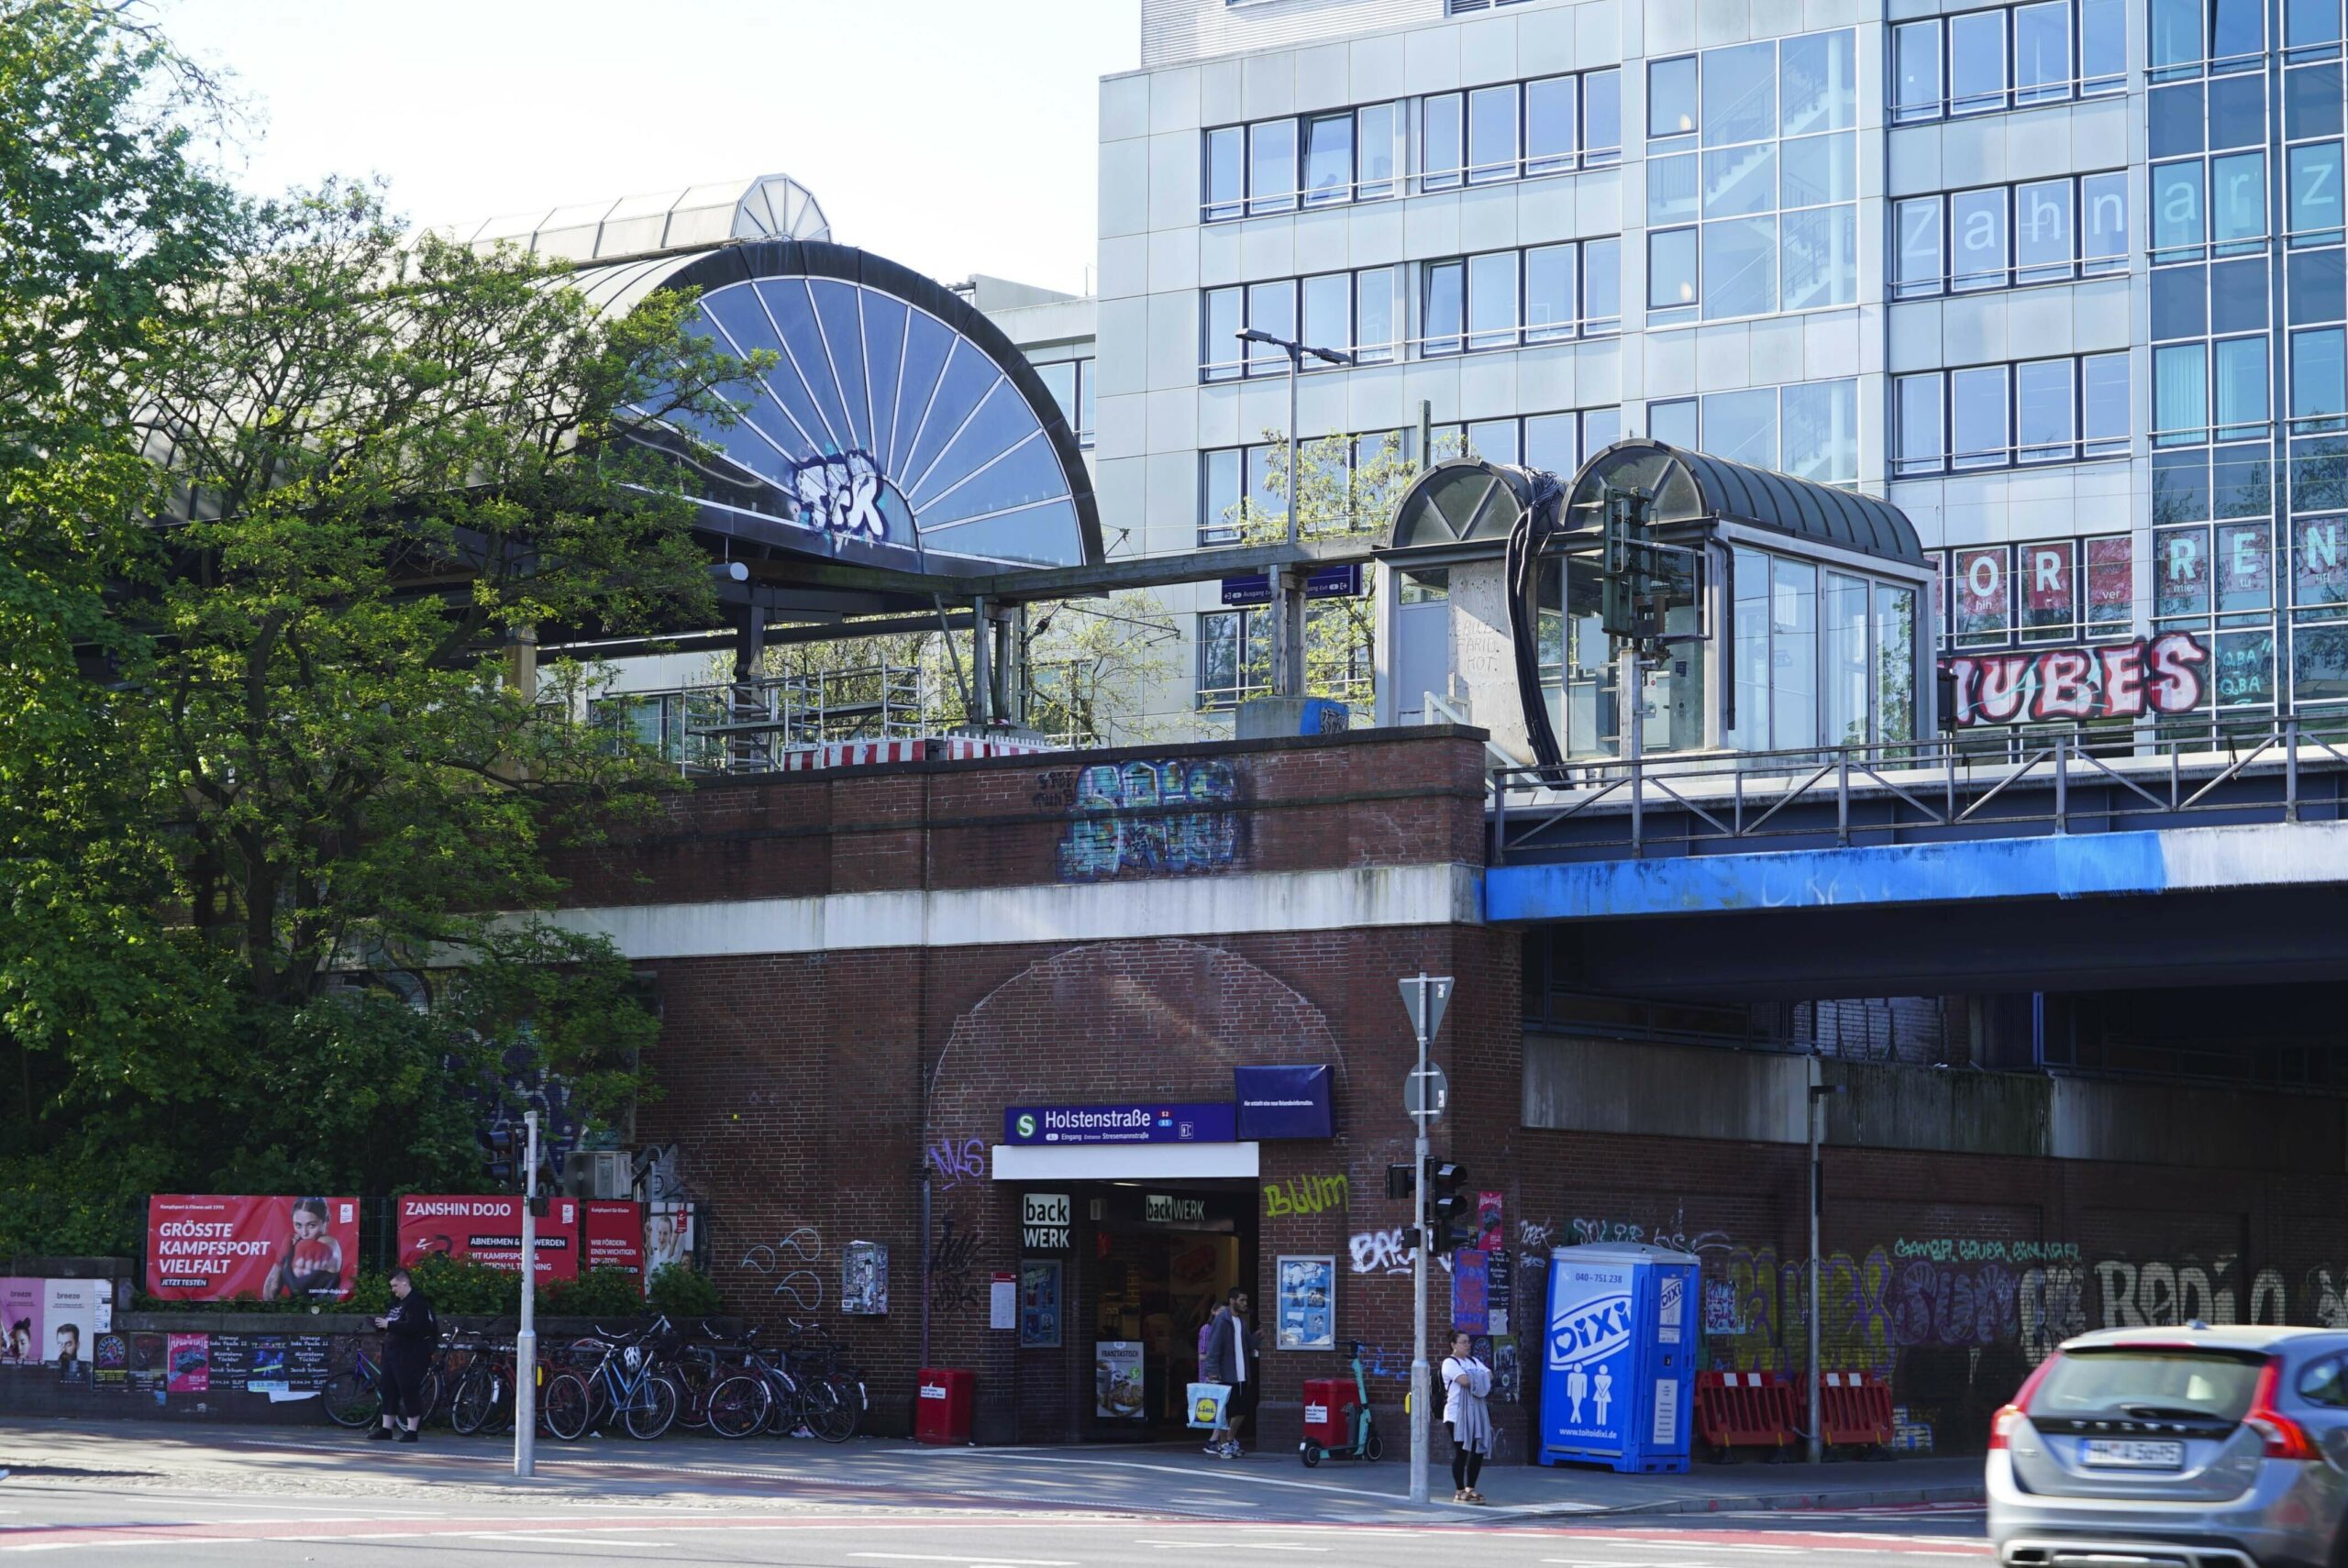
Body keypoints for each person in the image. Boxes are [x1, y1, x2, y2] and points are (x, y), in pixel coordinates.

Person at [370, 1267, 437, 1443]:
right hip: (392, 1351)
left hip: (410, 1353)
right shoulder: (397, 1304)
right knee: (388, 1388)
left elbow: (415, 1327)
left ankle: (412, 1430)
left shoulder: (416, 1303)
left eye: (395, 1286)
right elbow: (393, 1322)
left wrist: (390, 1325)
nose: (393, 1290)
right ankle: (386, 1428)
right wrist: (381, 1325)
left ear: (404, 1283)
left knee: (408, 1389)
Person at [1201, 1285, 1259, 1459]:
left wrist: (1259, 1336)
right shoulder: (1222, 1320)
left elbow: (1248, 1343)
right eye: (1241, 1300)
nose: (1244, 1303)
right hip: (1226, 1374)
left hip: (1241, 1374)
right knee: (1227, 1411)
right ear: (1232, 1301)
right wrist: (1212, 1371)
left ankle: (1229, 1441)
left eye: (1246, 1300)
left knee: (1240, 1410)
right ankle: (1225, 1444)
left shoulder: (1241, 1321)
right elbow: (1214, 1347)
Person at [1442, 1330, 1493, 1504]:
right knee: (1462, 1451)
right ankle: (1459, 1490)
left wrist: (1475, 1376)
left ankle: (1471, 1488)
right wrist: (1479, 1377)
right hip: (1456, 1414)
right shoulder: (1449, 1363)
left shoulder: (1474, 1361)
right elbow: (1464, 1381)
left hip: (1476, 1412)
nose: (1467, 1345)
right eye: (1463, 1342)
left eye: (1468, 1342)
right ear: (1454, 1345)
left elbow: (1490, 1375)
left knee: (1477, 1450)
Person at [265, 1198, 345, 1300]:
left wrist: (318, 1251)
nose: (304, 1233)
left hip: (324, 1314)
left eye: (312, 1225)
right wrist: (279, 1260)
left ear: (326, 1221)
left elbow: (329, 1249)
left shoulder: (329, 1243)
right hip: (296, 1313)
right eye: (298, 1225)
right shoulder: (292, 1245)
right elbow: (269, 1296)